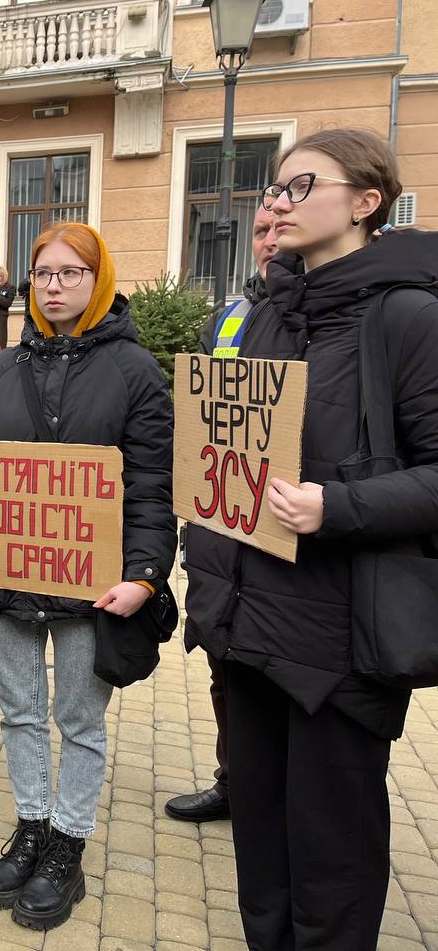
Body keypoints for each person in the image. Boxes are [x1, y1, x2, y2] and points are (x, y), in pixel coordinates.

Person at [187, 128, 438, 949]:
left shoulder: (409, 317)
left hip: (340, 647)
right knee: (261, 851)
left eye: (302, 186)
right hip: (250, 630)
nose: (278, 202)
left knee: (332, 863)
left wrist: (339, 507)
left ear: (366, 203)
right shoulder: (266, 316)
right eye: (275, 187)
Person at [0, 222, 175, 931]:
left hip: (91, 586)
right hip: (9, 580)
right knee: (19, 710)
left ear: (98, 281)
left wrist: (145, 575)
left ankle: (68, 843)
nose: (54, 286)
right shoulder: (2, 370)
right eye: (43, 274)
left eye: (71, 273)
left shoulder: (135, 371)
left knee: (79, 719)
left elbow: (152, 484)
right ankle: (32, 827)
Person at [167, 204, 279, 824]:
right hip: (226, 526)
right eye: (261, 230)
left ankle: (281, 799)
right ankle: (234, 784)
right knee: (226, 663)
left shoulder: (355, 318)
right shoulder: (229, 320)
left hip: (298, 526)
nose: (270, 240)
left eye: (280, 226)